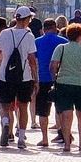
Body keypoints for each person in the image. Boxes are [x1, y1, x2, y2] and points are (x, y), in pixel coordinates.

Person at [0, 6, 39, 151]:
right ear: (26, 19)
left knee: (5, 105)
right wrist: (36, 79)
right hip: (24, 77)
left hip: (6, 76)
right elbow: (32, 59)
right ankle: (21, 138)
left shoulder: (4, 33)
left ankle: (5, 122)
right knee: (23, 107)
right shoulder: (29, 36)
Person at [50, 24, 81, 154]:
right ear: (80, 36)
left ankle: (67, 144)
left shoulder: (61, 48)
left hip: (63, 84)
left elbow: (53, 65)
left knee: (66, 115)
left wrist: (55, 78)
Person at [34, 16, 66, 148]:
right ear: (55, 28)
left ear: (43, 29)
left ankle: (45, 138)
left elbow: (34, 61)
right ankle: (64, 134)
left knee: (43, 111)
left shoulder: (37, 42)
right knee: (62, 109)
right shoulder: (63, 41)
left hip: (43, 79)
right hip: (60, 79)